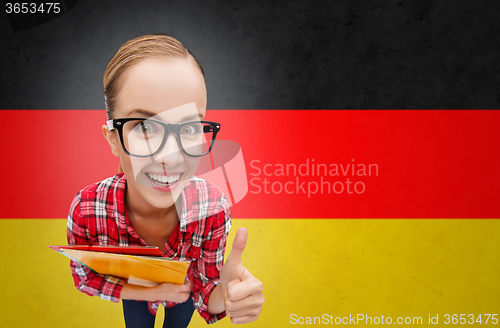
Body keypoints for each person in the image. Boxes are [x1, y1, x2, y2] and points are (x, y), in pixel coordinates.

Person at [66, 34, 264, 328]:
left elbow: (206, 290)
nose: (170, 157)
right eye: (145, 127)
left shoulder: (212, 209)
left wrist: (227, 294)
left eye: (189, 128)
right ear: (113, 139)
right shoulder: (88, 209)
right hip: (135, 289)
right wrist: (149, 291)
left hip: (184, 292)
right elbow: (85, 277)